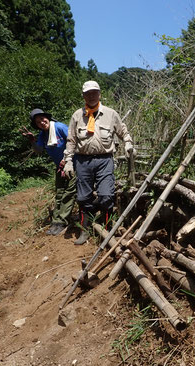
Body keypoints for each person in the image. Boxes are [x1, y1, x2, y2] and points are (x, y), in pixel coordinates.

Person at [63, 81, 134, 245]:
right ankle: (84, 230)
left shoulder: (110, 114)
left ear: (99, 94)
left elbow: (122, 130)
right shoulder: (77, 116)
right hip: (82, 161)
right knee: (82, 198)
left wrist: (128, 142)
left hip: (104, 160)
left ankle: (108, 229)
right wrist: (68, 161)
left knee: (106, 196)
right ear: (83, 96)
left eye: (94, 92)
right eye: (88, 93)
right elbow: (71, 140)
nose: (91, 96)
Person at [20, 108, 76, 235]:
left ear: (47, 118)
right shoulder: (42, 135)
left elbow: (74, 141)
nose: (41, 122)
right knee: (59, 193)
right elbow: (38, 150)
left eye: (42, 119)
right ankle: (56, 222)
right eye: (38, 122)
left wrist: (67, 158)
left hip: (72, 164)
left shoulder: (59, 127)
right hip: (60, 167)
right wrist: (32, 141)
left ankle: (62, 222)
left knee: (69, 192)